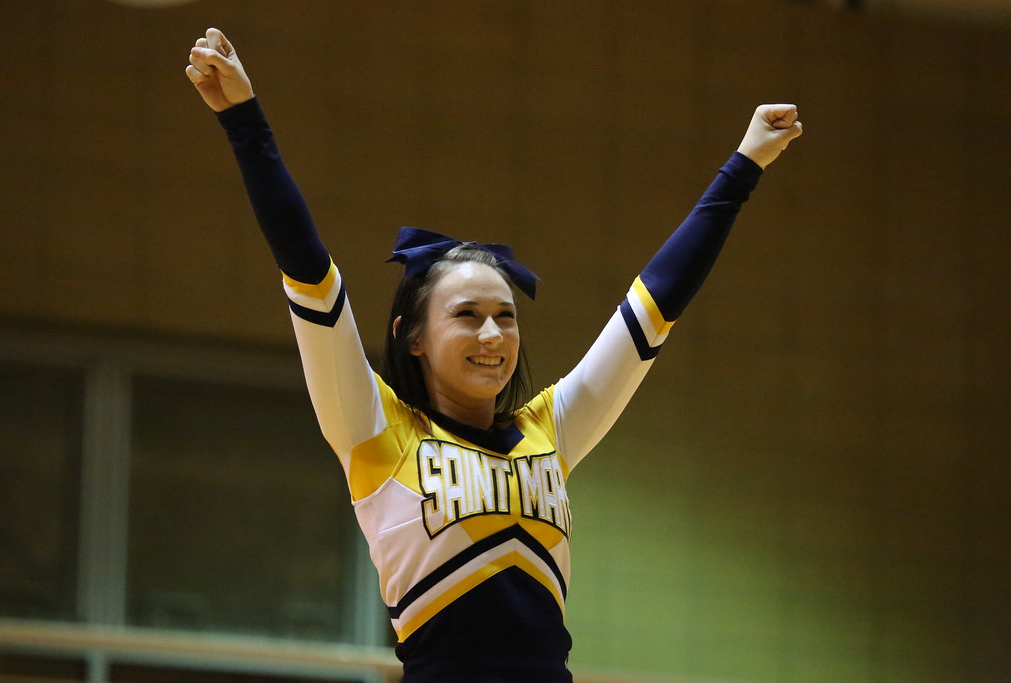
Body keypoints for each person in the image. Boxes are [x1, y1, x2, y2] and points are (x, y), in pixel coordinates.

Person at [185, 27, 802, 683]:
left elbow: (656, 302)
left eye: (506, 317)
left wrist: (745, 164)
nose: (493, 335)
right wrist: (244, 122)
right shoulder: (374, 432)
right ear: (412, 336)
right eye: (468, 316)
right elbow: (310, 273)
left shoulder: (551, 430)